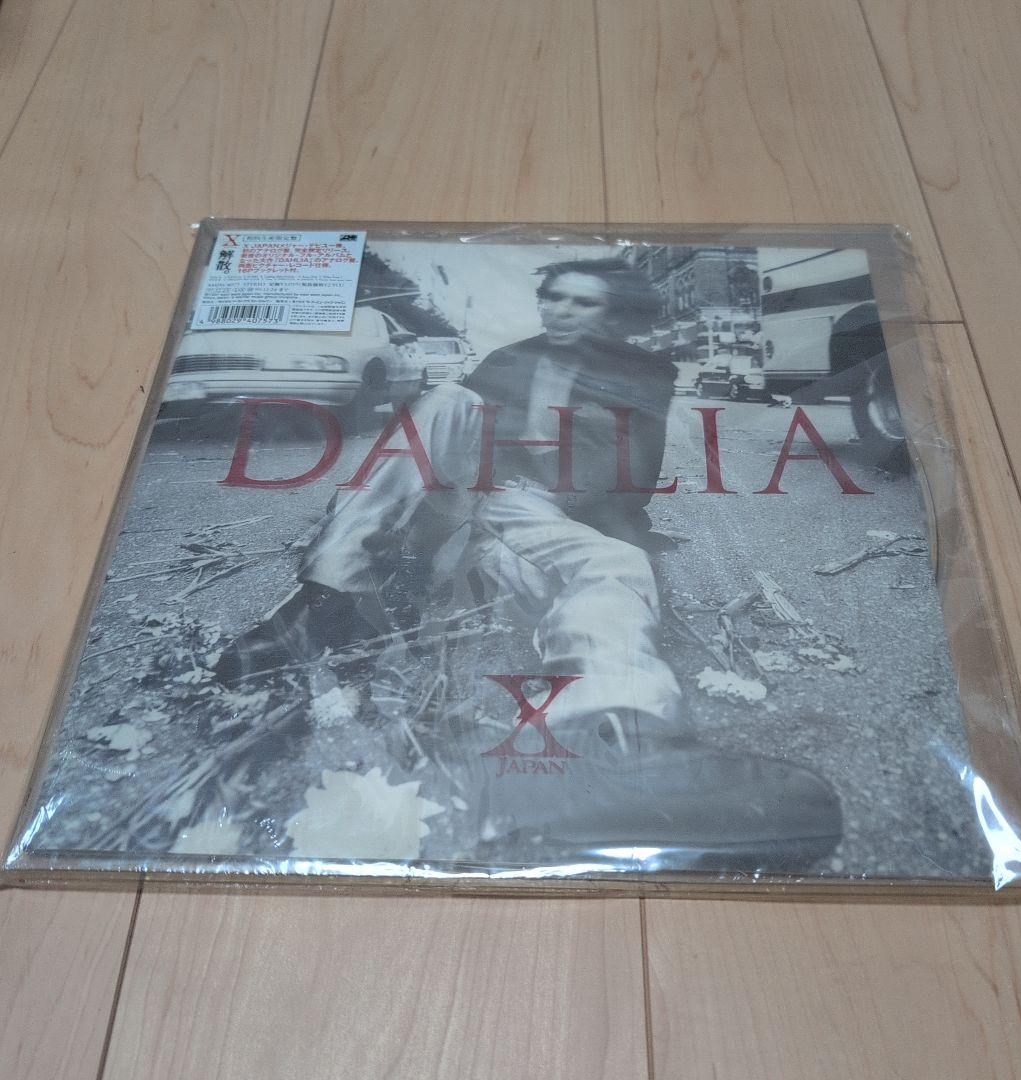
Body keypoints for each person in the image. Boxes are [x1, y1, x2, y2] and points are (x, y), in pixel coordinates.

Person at [214, 256, 841, 870]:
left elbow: (632, 476)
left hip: (538, 518)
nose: (562, 311)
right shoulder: (506, 361)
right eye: (555, 297)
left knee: (616, 563)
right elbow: (438, 447)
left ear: (613, 314)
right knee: (446, 402)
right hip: (462, 504)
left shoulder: (643, 372)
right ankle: (322, 602)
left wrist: (563, 503)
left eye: (583, 302)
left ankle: (618, 740)